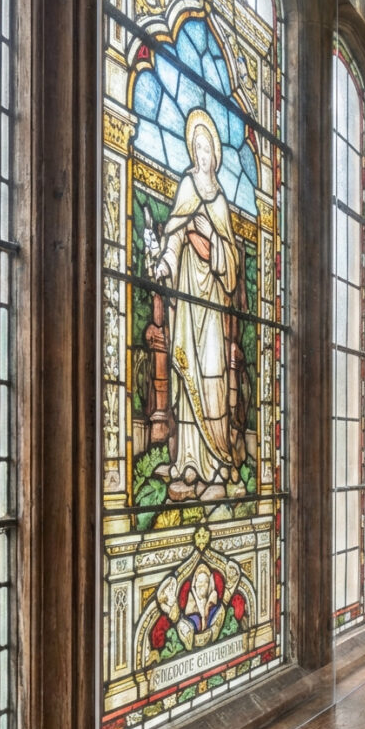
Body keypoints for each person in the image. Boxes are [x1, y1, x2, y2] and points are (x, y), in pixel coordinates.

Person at [155, 109, 245, 502]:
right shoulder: (187, 187)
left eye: (209, 148)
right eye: (199, 146)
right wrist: (165, 262)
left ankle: (216, 462)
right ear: (193, 150)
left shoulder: (222, 202)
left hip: (211, 305)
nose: (204, 153)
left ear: (216, 154)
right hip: (188, 301)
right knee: (187, 373)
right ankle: (188, 461)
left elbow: (233, 266)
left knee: (212, 375)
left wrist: (213, 237)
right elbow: (174, 234)